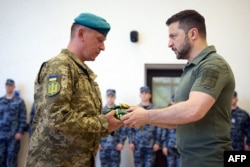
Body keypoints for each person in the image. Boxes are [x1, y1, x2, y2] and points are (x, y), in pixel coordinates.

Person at [122, 9, 235, 167]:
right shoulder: (191, 69)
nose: (169, 43)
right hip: (189, 159)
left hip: (210, 160)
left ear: (193, 34)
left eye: (173, 36)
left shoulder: (212, 65)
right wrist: (141, 117)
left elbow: (193, 109)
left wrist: (146, 115)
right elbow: (180, 120)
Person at [26, 13, 122, 167]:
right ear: (81, 34)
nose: (103, 47)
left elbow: (84, 122)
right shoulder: (60, 67)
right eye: (99, 40)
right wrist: (103, 123)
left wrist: (111, 123)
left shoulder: (82, 73)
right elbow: (56, 117)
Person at [127, 86, 162, 167]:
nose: (144, 95)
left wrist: (157, 142)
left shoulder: (155, 109)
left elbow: (159, 127)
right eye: (142, 93)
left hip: (151, 144)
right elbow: (129, 127)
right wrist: (131, 141)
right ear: (140, 95)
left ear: (150, 95)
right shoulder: (134, 109)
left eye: (146, 93)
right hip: (137, 144)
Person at [0, 79, 27, 167]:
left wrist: (20, 132)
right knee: (1, 160)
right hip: (1, 136)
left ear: (14, 87)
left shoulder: (19, 101)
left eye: (10, 85)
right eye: (7, 85)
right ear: (5, 86)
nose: (9, 87)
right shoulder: (0, 101)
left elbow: (23, 118)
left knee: (12, 160)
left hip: (13, 136)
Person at [99, 89, 127, 167]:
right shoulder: (100, 112)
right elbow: (97, 128)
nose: (110, 98)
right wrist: (97, 143)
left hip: (115, 146)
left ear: (115, 97)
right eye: (108, 96)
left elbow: (124, 128)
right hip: (103, 146)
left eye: (112, 96)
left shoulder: (119, 111)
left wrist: (121, 142)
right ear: (105, 97)